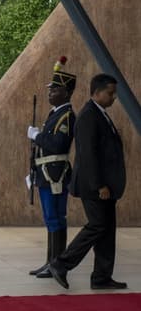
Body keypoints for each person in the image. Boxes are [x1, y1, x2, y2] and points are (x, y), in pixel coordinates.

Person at [48, 73, 127, 290]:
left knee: (107, 229)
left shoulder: (100, 114)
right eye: (110, 93)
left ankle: (101, 277)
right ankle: (61, 263)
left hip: (106, 186)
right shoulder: (89, 116)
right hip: (95, 186)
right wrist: (99, 184)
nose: (114, 98)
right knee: (97, 225)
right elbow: (87, 154)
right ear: (97, 92)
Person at [27, 58, 77, 278]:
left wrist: (37, 136)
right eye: (50, 90)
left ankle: (57, 264)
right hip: (46, 174)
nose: (50, 93)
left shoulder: (66, 115)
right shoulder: (54, 113)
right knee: (51, 218)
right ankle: (50, 262)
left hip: (55, 175)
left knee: (56, 218)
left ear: (66, 93)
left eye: (55, 90)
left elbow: (59, 145)